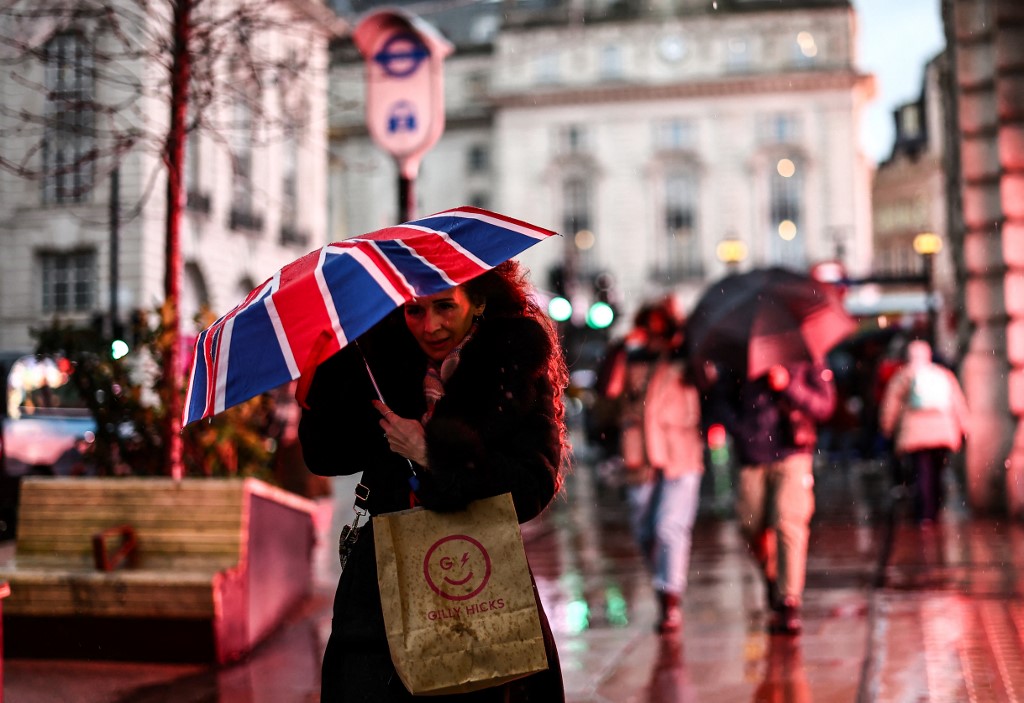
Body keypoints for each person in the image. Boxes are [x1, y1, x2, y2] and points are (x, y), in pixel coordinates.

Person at [298, 260, 570, 702]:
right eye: (414, 311)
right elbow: (328, 456)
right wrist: (322, 390)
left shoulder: (511, 365)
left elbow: (534, 483)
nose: (430, 325)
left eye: (445, 306)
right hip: (380, 591)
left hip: (479, 578)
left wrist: (433, 455)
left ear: (477, 301)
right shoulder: (377, 364)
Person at [709, 360, 836, 636]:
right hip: (751, 457)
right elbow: (720, 400)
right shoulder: (738, 355)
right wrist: (739, 428)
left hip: (793, 451)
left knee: (789, 521)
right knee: (751, 525)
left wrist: (787, 384)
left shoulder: (806, 355)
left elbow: (824, 406)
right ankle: (773, 578)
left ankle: (790, 601)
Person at [602, 301, 703, 634]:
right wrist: (621, 347)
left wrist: (680, 337)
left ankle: (670, 598)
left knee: (669, 527)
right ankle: (665, 587)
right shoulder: (631, 358)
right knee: (645, 530)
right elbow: (609, 389)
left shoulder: (684, 355)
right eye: (650, 328)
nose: (654, 336)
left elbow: (704, 378)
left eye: (662, 328)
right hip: (640, 455)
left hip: (680, 453)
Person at [879, 339, 969, 524]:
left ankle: (925, 514)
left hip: (916, 433)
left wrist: (887, 428)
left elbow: (891, 404)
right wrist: (965, 427)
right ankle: (935, 508)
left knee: (922, 472)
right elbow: (957, 402)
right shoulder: (942, 374)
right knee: (937, 472)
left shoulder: (904, 375)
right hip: (943, 432)